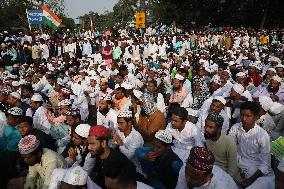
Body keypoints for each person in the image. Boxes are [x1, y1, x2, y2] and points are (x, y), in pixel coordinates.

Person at [229, 101, 275, 189]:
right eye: (242, 115)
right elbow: (231, 149)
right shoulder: (235, 128)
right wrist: (237, 168)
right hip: (239, 163)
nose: (244, 119)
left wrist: (251, 179)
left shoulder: (262, 135)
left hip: (257, 168)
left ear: (256, 117)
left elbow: (265, 164)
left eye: (248, 116)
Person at [204, 112, 241, 183]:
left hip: (225, 175)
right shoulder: (207, 139)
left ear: (219, 129)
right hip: (211, 173)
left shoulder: (229, 142)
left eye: (211, 127)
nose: (207, 129)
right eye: (206, 126)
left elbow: (232, 170)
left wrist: (223, 182)